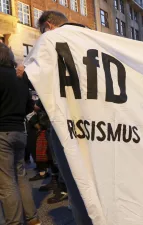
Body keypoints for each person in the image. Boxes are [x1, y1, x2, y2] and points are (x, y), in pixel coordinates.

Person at [24, 10, 93, 225]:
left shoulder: (52, 39)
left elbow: (33, 78)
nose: (41, 34)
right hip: (95, 121)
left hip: (67, 121)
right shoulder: (89, 38)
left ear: (50, 25)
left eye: (41, 30)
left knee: (75, 180)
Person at [0, 43, 40, 225]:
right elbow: (28, 107)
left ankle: (14, 222)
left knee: (6, 182)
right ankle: (32, 218)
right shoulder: (19, 79)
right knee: (21, 176)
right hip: (19, 131)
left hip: (2, 133)